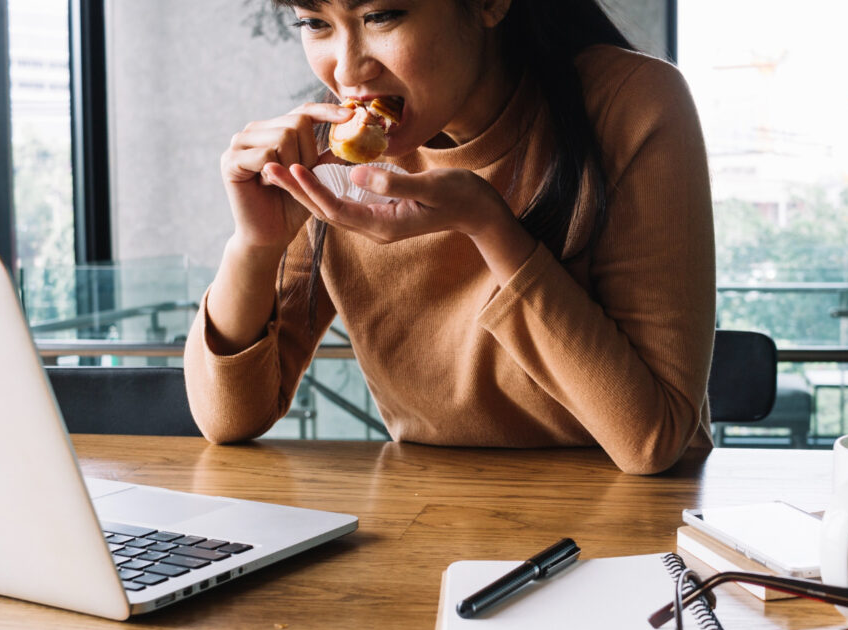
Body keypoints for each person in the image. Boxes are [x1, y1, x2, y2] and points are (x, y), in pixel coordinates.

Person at [183, 0, 716, 474]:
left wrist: (488, 226)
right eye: (314, 23)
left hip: (626, 535)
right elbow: (227, 420)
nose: (347, 71)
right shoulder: (330, 157)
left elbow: (652, 441)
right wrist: (253, 247)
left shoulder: (631, 103)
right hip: (433, 518)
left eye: (381, 16)